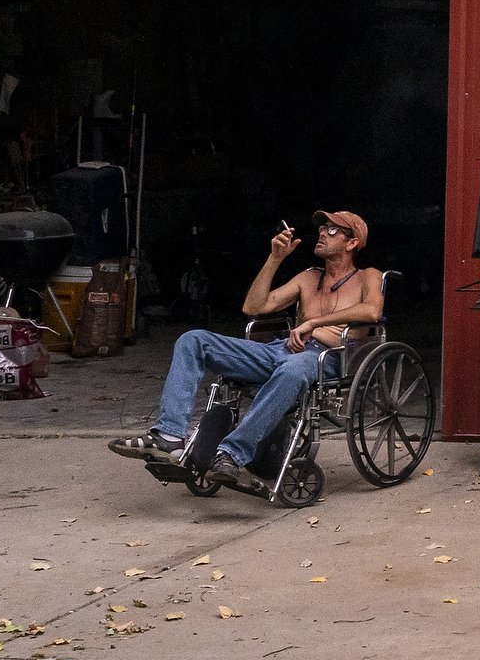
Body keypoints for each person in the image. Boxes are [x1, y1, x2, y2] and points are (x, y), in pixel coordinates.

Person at [110, 210, 384, 494]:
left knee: (292, 369)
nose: (321, 234)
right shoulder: (308, 278)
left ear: (351, 243)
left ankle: (231, 453)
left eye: (331, 230)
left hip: (326, 358)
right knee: (193, 340)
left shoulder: (368, 276)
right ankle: (168, 435)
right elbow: (253, 308)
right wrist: (275, 258)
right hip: (281, 351)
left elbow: (373, 311)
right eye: (322, 228)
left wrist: (313, 323)